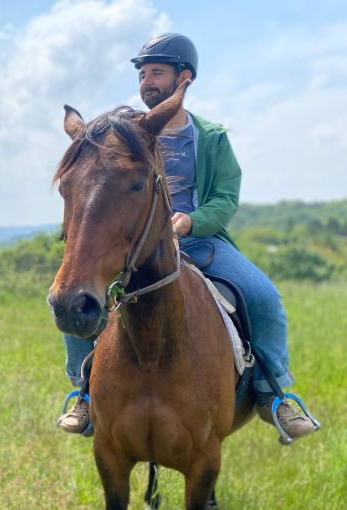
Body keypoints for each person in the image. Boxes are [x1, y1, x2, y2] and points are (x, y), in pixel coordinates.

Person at [56, 33, 319, 442]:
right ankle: (83, 393)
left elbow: (226, 197)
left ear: (185, 78)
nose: (147, 82)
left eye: (157, 73)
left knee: (263, 295)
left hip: (199, 242)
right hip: (137, 249)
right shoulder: (126, 137)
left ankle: (276, 393)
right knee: (75, 292)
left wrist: (191, 222)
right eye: (143, 75)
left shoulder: (210, 137)